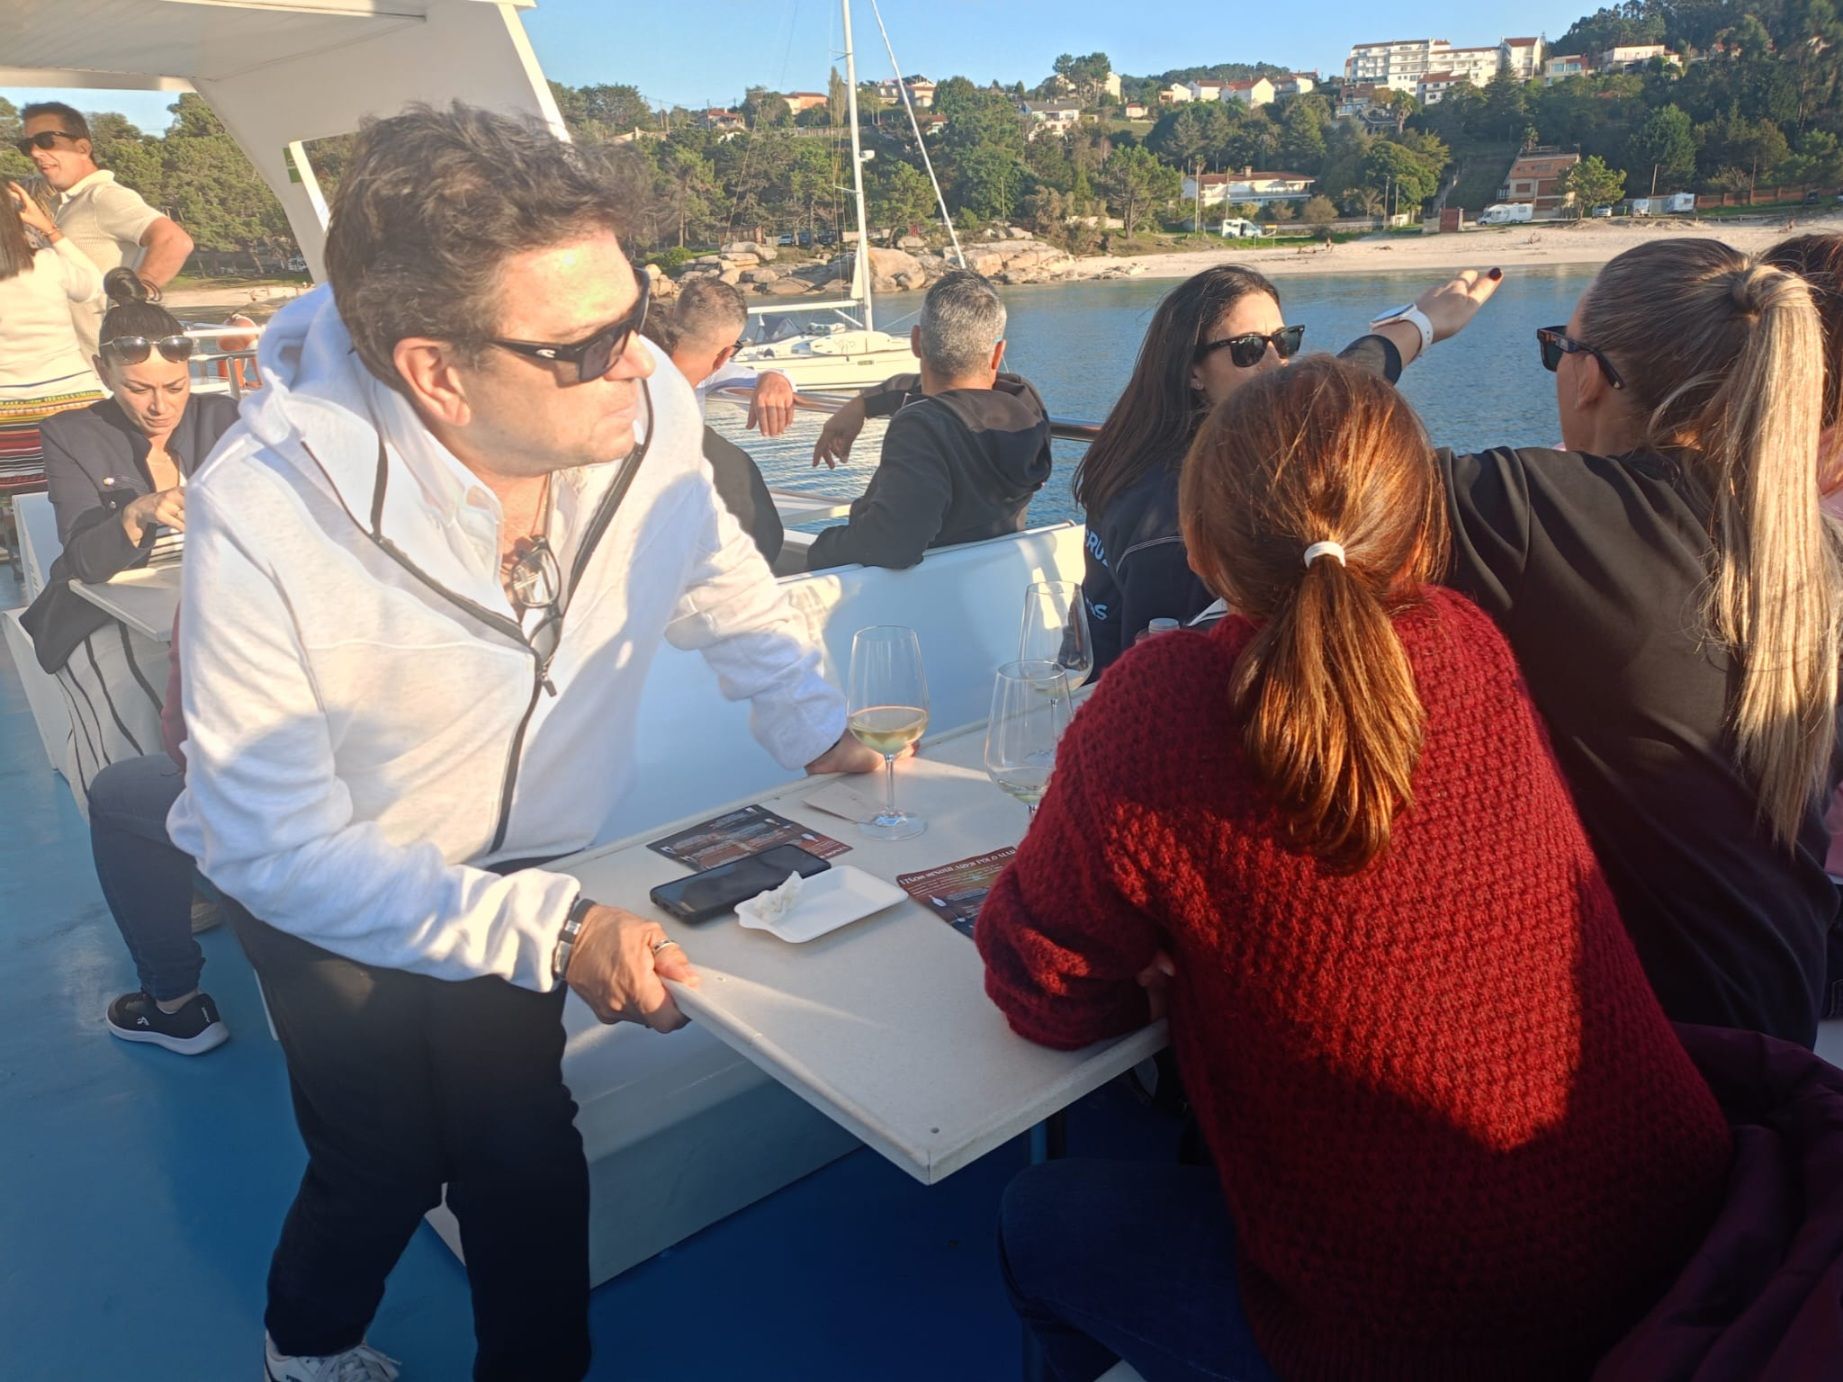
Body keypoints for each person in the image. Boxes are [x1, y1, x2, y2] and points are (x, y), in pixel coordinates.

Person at [164, 103, 878, 1382]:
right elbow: (272, 845)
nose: (637, 363)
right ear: (436, 370)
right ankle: (306, 1343)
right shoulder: (264, 511)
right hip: (327, 880)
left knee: (523, 1141)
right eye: (584, 344)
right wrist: (555, 933)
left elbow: (710, 562)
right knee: (383, 1151)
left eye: (635, 314)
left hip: (526, 861)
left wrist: (815, 726)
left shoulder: (645, 406)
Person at [978, 356, 1733, 1382]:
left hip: (1441, 1332)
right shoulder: (1469, 641)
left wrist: (1160, 974)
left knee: (1037, 1217)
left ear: (1198, 547)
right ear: (1420, 539)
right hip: (1674, 1227)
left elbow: (1044, 987)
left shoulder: (1159, 704)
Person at [1440, 241, 1842, 1046]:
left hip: (1662, 1047)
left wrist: (1412, 329)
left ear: (1589, 375)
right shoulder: (1810, 548)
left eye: (1556, 348)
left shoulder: (1543, 508)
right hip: (1779, 1015)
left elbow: (1278, 462)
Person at [1073, 265, 1495, 673]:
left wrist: (1419, 326)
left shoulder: (1176, 446)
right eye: (1249, 349)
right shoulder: (1174, 522)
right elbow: (1173, 672)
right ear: (1192, 371)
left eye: (1284, 340)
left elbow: (1327, 397)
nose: (1277, 364)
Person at [20, 270, 236, 813]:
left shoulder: (225, 418)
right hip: (99, 609)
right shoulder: (70, 434)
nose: (160, 406)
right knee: (143, 693)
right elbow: (80, 560)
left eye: (175, 387)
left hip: (218, 598)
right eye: (138, 389)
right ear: (102, 372)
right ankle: (148, 823)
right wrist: (135, 515)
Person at [804, 268, 1051, 571]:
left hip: (920, 591)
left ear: (916, 341)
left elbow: (891, 545)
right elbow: (957, 395)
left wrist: (819, 550)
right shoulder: (1026, 407)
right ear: (998, 353)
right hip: (1000, 579)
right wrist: (865, 403)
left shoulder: (920, 428)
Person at [18, 101, 194, 356]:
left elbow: (173, 240)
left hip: (108, 367)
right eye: (27, 146)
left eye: (46, 141)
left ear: (83, 148)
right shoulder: (64, 205)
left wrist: (134, 301)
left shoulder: (103, 196)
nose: (35, 152)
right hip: (76, 365)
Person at [644, 279, 787, 563]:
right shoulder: (718, 460)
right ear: (724, 354)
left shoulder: (623, 370)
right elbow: (762, 539)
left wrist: (775, 375)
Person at [0, 178, 102, 516]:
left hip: (7, 418)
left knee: (16, 518)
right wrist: (50, 229)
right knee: (83, 501)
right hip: (73, 401)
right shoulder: (48, 263)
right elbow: (93, 285)